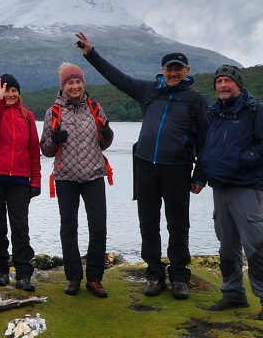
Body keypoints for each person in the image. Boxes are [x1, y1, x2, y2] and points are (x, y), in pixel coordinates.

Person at [75, 32, 209, 300]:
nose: (174, 73)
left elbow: (205, 141)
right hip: (146, 167)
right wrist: (91, 54)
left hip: (178, 169)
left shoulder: (196, 100)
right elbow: (117, 77)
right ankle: (154, 274)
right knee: (148, 223)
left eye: (178, 69)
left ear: (187, 71)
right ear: (163, 71)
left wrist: (201, 175)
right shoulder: (148, 91)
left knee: (178, 224)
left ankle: (180, 276)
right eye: (169, 69)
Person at [197, 65, 263, 320]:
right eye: (219, 81)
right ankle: (233, 294)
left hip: (246, 188)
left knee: (256, 245)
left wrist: (243, 159)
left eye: (228, 81)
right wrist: (200, 177)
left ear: (238, 84)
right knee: (227, 246)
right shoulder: (214, 113)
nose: (223, 85)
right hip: (219, 188)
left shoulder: (255, 110)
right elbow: (207, 149)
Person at [40, 63, 115, 298]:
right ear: (63, 86)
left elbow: (103, 142)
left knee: (99, 228)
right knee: (68, 228)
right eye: (70, 82)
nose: (75, 86)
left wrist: (108, 137)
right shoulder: (53, 111)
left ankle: (95, 278)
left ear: (83, 83)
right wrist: (55, 140)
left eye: (78, 81)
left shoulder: (95, 108)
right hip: (66, 178)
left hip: (93, 175)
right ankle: (73, 278)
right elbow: (46, 149)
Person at [0, 73, 42, 292]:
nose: (10, 94)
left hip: (20, 180)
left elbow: (33, 149)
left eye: (14, 90)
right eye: (6, 90)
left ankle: (23, 275)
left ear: (19, 93)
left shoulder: (27, 116)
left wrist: (36, 180)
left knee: (20, 228)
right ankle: (1, 272)